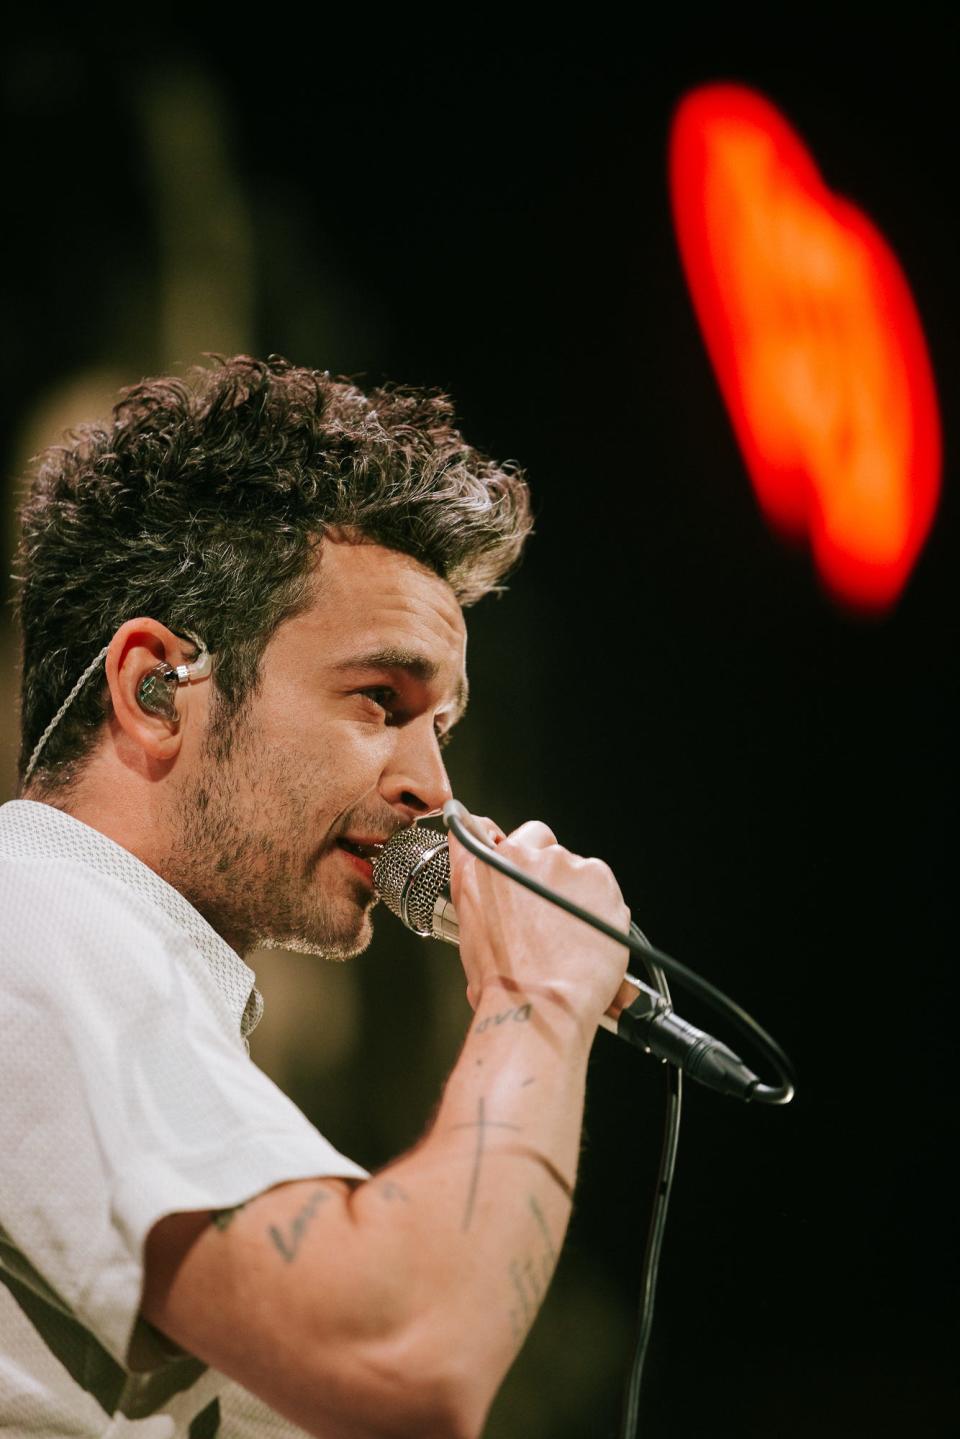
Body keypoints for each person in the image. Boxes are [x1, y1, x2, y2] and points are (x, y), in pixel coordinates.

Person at [0, 355, 630, 1438]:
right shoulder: (43, 917)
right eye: (381, 698)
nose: (433, 787)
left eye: (444, 728)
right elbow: (408, 1358)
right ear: (154, 688)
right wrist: (538, 990)